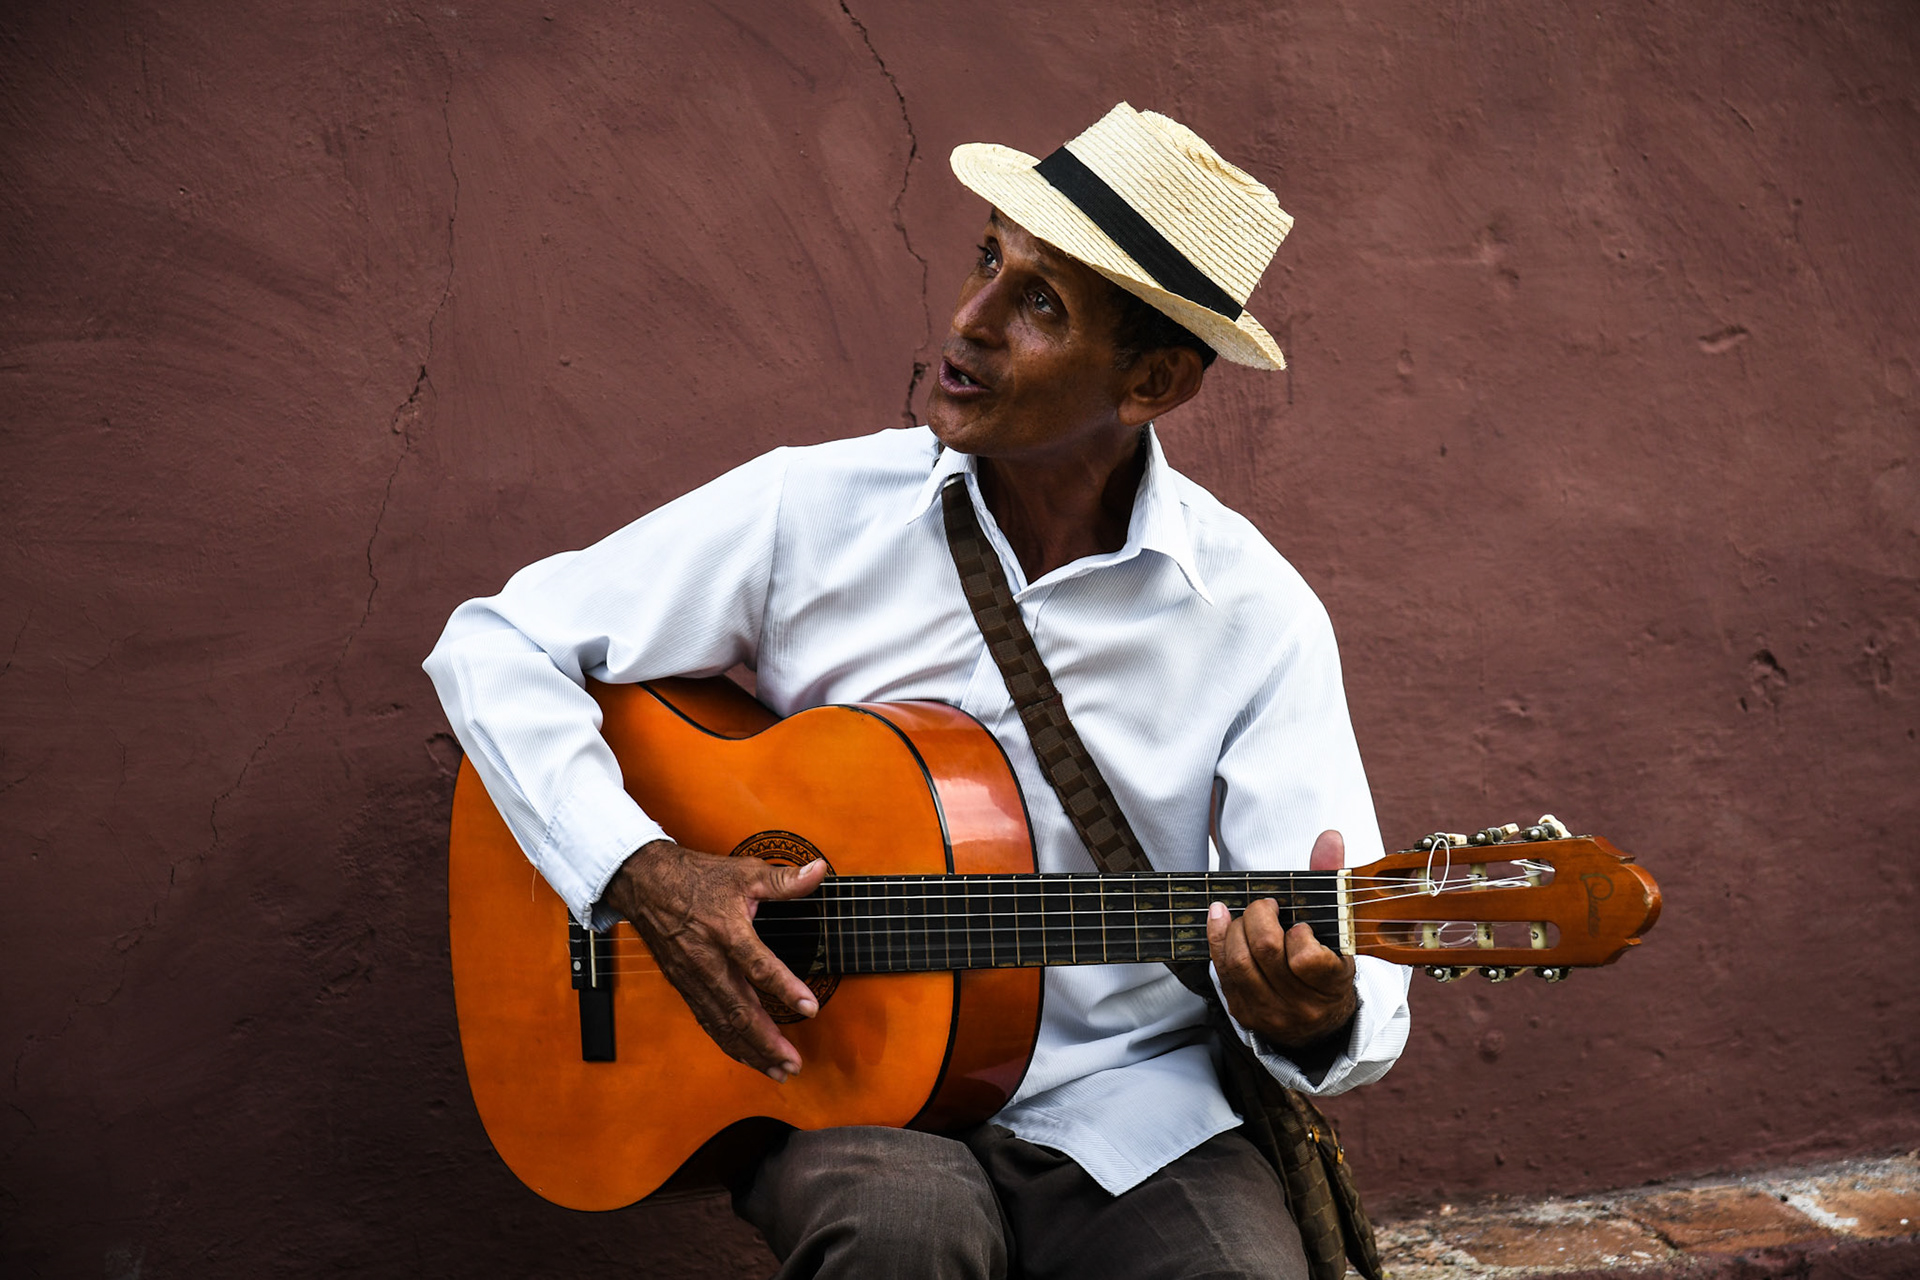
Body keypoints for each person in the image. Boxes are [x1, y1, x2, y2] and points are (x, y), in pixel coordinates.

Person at [425, 102, 1411, 1279]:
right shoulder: (813, 510)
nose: (970, 319)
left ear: (1152, 380)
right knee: (897, 1238)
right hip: (844, 1088)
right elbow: (494, 643)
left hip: (1130, 1105)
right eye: (988, 258)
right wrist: (641, 870)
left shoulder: (1253, 615)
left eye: (1039, 303)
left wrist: (1318, 1013)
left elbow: (1350, 955)